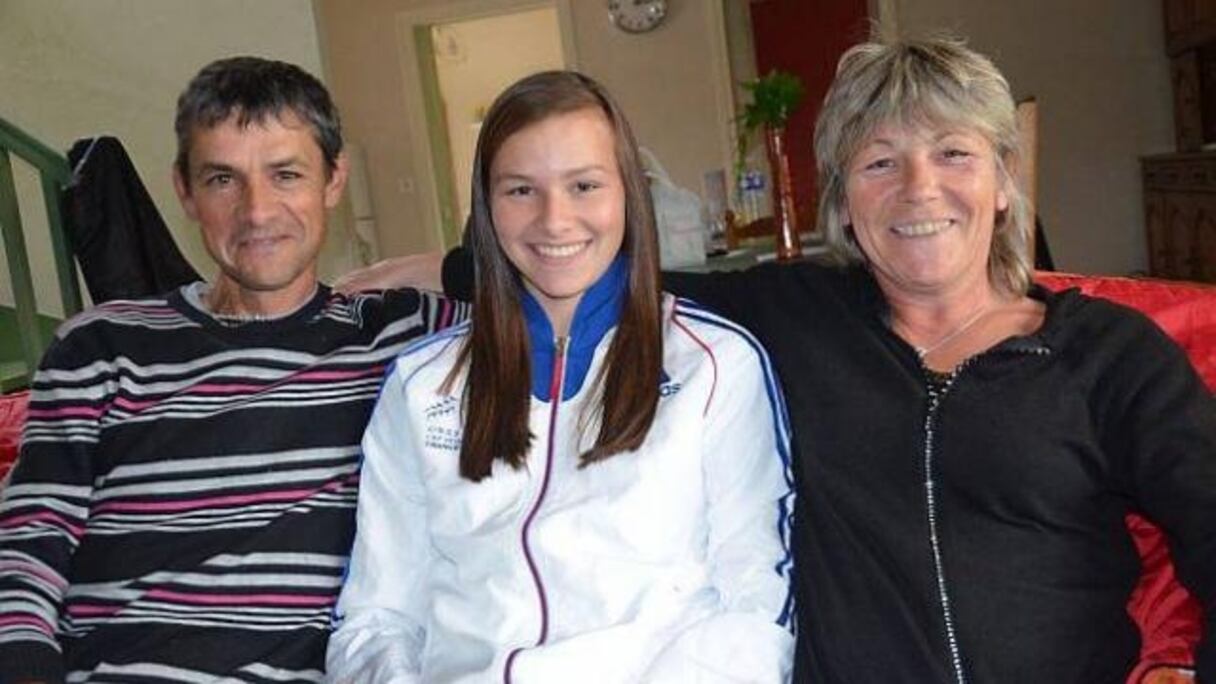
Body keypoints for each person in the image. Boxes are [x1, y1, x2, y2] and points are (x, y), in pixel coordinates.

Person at [339, 37, 1216, 682]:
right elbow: (600, 264)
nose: (919, 189)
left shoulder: (1106, 355)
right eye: (880, 162)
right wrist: (456, 268)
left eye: (954, 153)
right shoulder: (796, 321)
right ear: (842, 199)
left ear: (1004, 182)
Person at [0, 57, 463, 683]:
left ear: (334, 180)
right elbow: (28, 544)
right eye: (223, 179)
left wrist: (439, 267)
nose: (257, 212)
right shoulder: (101, 345)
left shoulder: (401, 335)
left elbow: (570, 278)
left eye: (286, 175)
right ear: (185, 192)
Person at [325, 71, 795, 682]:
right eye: (521, 190)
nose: (554, 219)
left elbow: (755, 607)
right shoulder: (422, 385)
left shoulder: (713, 364)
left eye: (584, 186)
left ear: (628, 193)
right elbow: (376, 618)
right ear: (486, 206)